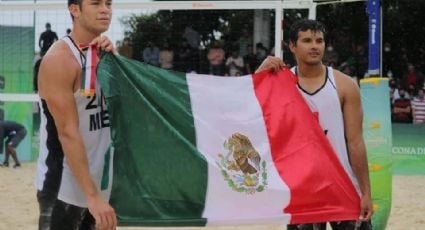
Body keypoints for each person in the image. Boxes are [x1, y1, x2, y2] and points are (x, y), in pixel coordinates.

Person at [256, 19, 373, 230]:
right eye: (307, 40)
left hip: (343, 185)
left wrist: (366, 192)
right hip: (301, 190)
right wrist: (260, 73)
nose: (314, 46)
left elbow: (355, 142)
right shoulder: (279, 83)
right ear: (292, 46)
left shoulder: (345, 85)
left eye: (319, 41)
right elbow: (248, 114)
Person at [35, 0, 116, 229]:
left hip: (98, 182)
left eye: (109, 3)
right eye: (96, 3)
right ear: (74, 10)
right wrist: (91, 196)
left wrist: (115, 59)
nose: (105, 9)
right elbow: (68, 133)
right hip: (63, 187)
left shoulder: (105, 55)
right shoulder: (59, 60)